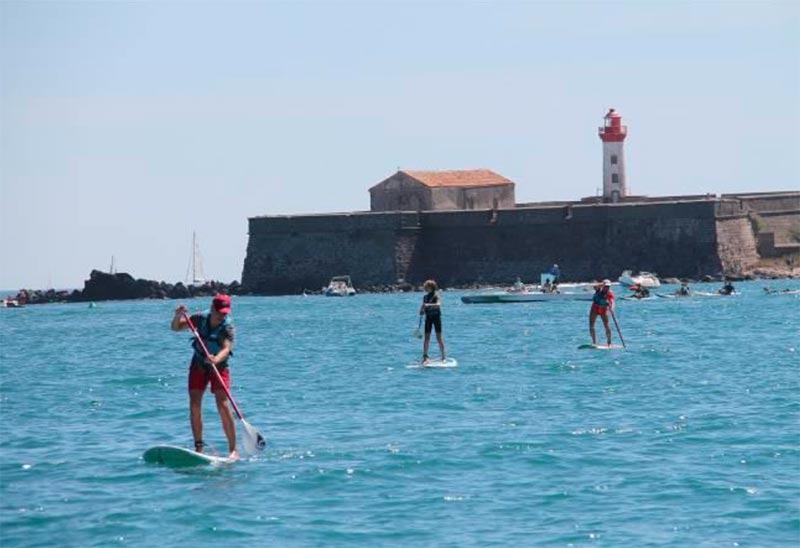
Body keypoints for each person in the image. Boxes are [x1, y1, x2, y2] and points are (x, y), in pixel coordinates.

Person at [171, 294, 238, 459]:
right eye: (220, 312)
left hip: (219, 365)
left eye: (225, 312)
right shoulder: (200, 318)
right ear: (212, 308)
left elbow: (226, 349)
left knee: (222, 404)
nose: (223, 315)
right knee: (194, 403)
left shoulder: (227, 327)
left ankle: (233, 450)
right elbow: (176, 327)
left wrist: (216, 358)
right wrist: (178, 315)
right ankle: (199, 446)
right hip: (199, 363)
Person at [419, 280, 446, 364]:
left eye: (426, 287)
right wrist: (421, 311)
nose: (425, 288)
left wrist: (428, 305)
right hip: (428, 319)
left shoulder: (436, 296)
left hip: (436, 318)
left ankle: (443, 357)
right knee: (426, 338)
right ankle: (425, 357)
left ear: (431, 287)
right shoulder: (425, 297)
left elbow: (438, 304)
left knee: (439, 338)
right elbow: (422, 308)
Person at [589, 279, 615, 346]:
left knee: (606, 325)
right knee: (591, 325)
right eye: (606, 286)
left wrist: (611, 308)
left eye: (608, 286)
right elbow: (592, 285)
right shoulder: (598, 289)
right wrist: (601, 284)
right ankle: (594, 342)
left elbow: (612, 301)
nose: (607, 288)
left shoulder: (610, 293)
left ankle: (609, 342)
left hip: (603, 310)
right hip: (594, 308)